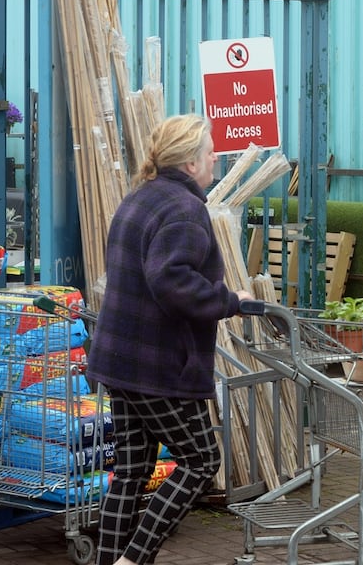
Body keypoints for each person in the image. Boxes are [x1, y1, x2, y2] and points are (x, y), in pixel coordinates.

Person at [87, 114, 254, 565]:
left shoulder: (141, 197)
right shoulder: (183, 208)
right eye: (209, 150)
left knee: (132, 471)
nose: (215, 156)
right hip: (157, 364)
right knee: (200, 459)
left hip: (120, 358)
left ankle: (111, 560)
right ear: (190, 161)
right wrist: (230, 299)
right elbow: (173, 280)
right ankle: (133, 560)